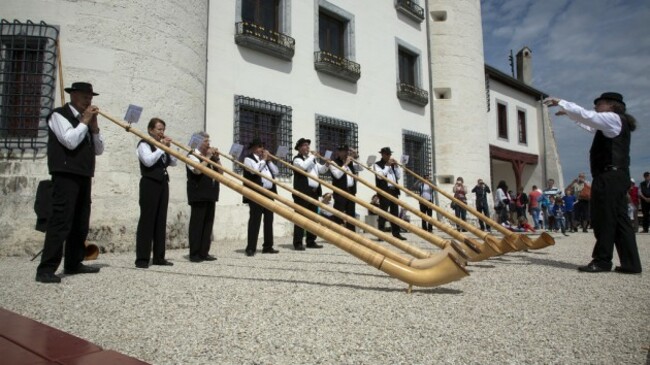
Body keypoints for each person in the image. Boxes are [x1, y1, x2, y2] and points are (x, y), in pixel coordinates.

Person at [545, 92, 642, 274]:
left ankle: (602, 261)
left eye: (599, 104)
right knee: (621, 220)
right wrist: (569, 113)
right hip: (617, 176)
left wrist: (562, 102)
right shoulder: (615, 122)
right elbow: (589, 124)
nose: (596, 106)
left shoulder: (613, 118)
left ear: (611, 105)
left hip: (608, 177)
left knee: (603, 218)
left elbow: (588, 117)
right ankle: (631, 263)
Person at [35, 82, 104, 283]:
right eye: (85, 96)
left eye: (90, 97)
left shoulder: (87, 122)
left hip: (83, 175)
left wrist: (95, 128)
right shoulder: (58, 115)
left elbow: (98, 150)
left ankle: (74, 262)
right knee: (61, 221)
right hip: (65, 174)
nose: (88, 100)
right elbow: (70, 141)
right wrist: (84, 121)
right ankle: (46, 268)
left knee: (80, 222)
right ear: (73, 95)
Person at [134, 118, 177, 268]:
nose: (161, 132)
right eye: (159, 129)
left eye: (163, 130)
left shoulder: (161, 146)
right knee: (147, 220)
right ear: (150, 130)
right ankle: (142, 259)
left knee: (161, 220)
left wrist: (169, 148)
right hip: (149, 183)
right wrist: (160, 148)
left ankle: (159, 257)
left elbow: (173, 162)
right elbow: (148, 161)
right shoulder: (144, 144)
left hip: (163, 183)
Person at [186, 132, 221, 262]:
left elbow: (221, 173)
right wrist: (208, 156)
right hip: (198, 193)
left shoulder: (209, 157)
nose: (209, 144)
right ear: (199, 142)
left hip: (211, 193)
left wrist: (216, 159)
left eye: (208, 141)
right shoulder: (191, 155)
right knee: (197, 224)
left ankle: (204, 252)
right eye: (206, 141)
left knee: (208, 224)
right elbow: (198, 170)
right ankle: (194, 253)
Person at [243, 138, 279, 256]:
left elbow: (276, 172)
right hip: (256, 193)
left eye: (262, 146)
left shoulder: (265, 162)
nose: (262, 149)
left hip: (269, 193)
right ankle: (251, 248)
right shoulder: (248, 159)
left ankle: (268, 246)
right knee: (255, 220)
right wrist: (263, 160)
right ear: (253, 148)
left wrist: (270, 160)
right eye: (259, 146)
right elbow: (255, 171)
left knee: (269, 220)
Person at [292, 138, 328, 250]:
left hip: (314, 192)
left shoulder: (311, 160)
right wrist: (313, 157)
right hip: (302, 192)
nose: (308, 147)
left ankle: (311, 240)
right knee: (300, 217)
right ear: (299, 148)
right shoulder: (297, 159)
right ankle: (297, 242)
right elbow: (303, 167)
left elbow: (321, 170)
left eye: (308, 145)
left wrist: (326, 164)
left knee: (313, 217)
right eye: (305, 145)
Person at [373, 147, 406, 240]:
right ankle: (381, 234)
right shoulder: (377, 165)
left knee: (395, 212)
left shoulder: (392, 165)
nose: (389, 156)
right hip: (384, 190)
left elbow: (398, 177)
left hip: (394, 190)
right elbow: (380, 176)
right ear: (382, 155)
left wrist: (396, 166)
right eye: (387, 154)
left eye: (389, 154)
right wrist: (387, 166)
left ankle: (396, 233)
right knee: (383, 212)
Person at [329, 145, 361, 231]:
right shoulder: (333, 163)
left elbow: (360, 169)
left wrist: (356, 157)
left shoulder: (351, 163)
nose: (346, 153)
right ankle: (338, 233)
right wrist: (345, 164)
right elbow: (337, 175)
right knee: (339, 213)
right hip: (340, 192)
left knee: (351, 214)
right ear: (338, 152)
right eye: (343, 151)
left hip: (351, 191)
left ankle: (351, 233)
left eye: (347, 151)